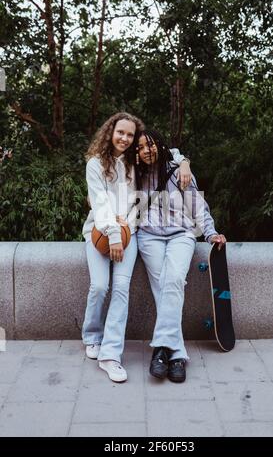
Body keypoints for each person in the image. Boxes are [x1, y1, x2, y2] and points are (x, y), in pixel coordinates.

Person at [81, 113, 192, 383]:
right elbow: (99, 203)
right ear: (110, 132)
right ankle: (91, 335)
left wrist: (185, 162)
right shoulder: (95, 164)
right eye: (121, 132)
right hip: (100, 232)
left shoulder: (135, 163)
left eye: (130, 135)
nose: (125, 138)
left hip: (129, 233)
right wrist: (113, 233)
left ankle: (110, 355)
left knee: (121, 288)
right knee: (99, 286)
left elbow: (167, 151)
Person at [135, 129, 226, 383]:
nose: (146, 151)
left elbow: (198, 207)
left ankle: (161, 350)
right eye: (141, 147)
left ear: (160, 146)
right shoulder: (135, 173)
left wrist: (211, 234)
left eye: (150, 145)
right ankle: (176, 356)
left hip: (181, 235)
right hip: (148, 236)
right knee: (162, 286)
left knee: (173, 279)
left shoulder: (178, 171)